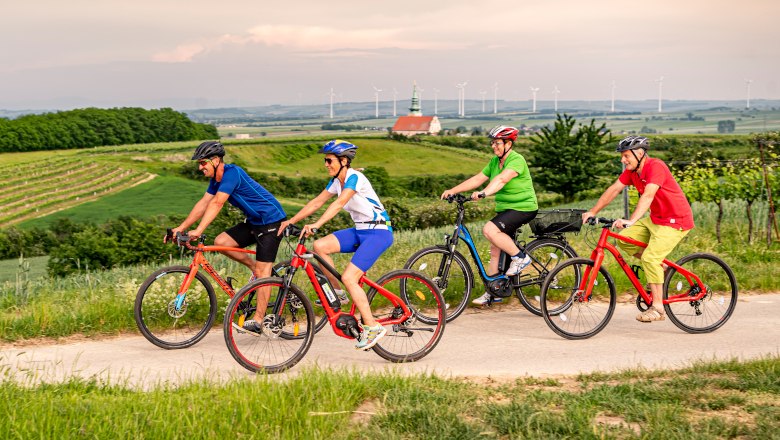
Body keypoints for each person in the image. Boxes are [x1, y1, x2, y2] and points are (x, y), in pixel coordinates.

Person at [279, 140, 393, 350]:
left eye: (329, 160)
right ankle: (338, 294)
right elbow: (316, 202)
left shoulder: (354, 177)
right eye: (325, 160)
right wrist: (291, 221)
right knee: (320, 246)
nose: (326, 164)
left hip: (378, 232)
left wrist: (317, 223)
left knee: (351, 277)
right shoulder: (336, 182)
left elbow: (338, 204)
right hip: (360, 231)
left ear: (343, 161)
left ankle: (372, 326)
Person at [167, 141, 287, 334]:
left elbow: (217, 203)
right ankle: (254, 267)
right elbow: (204, 203)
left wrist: (198, 231)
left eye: (203, 163)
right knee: (222, 242)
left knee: (264, 272)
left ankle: (258, 320)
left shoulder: (232, 174)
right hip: (255, 221)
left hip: (272, 221)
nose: (200, 167)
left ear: (216, 160)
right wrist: (180, 228)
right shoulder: (216, 180)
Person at [582, 136, 694, 322]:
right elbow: (614, 189)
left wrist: (632, 220)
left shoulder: (655, 166)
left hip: (676, 221)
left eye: (626, 156)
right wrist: (592, 211)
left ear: (640, 153)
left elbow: (649, 194)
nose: (622, 160)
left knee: (650, 257)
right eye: (622, 156)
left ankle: (657, 308)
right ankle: (662, 267)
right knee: (623, 240)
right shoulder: (632, 171)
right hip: (656, 219)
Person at [441, 125, 539, 306]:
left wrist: (484, 193)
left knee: (489, 230)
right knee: (495, 250)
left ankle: (521, 257)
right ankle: (494, 291)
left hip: (523, 208)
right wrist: (453, 190)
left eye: (497, 143)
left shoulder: (517, 160)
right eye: (492, 143)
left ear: (508, 143)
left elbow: (501, 179)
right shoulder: (495, 162)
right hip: (506, 209)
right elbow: (478, 178)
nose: (494, 146)